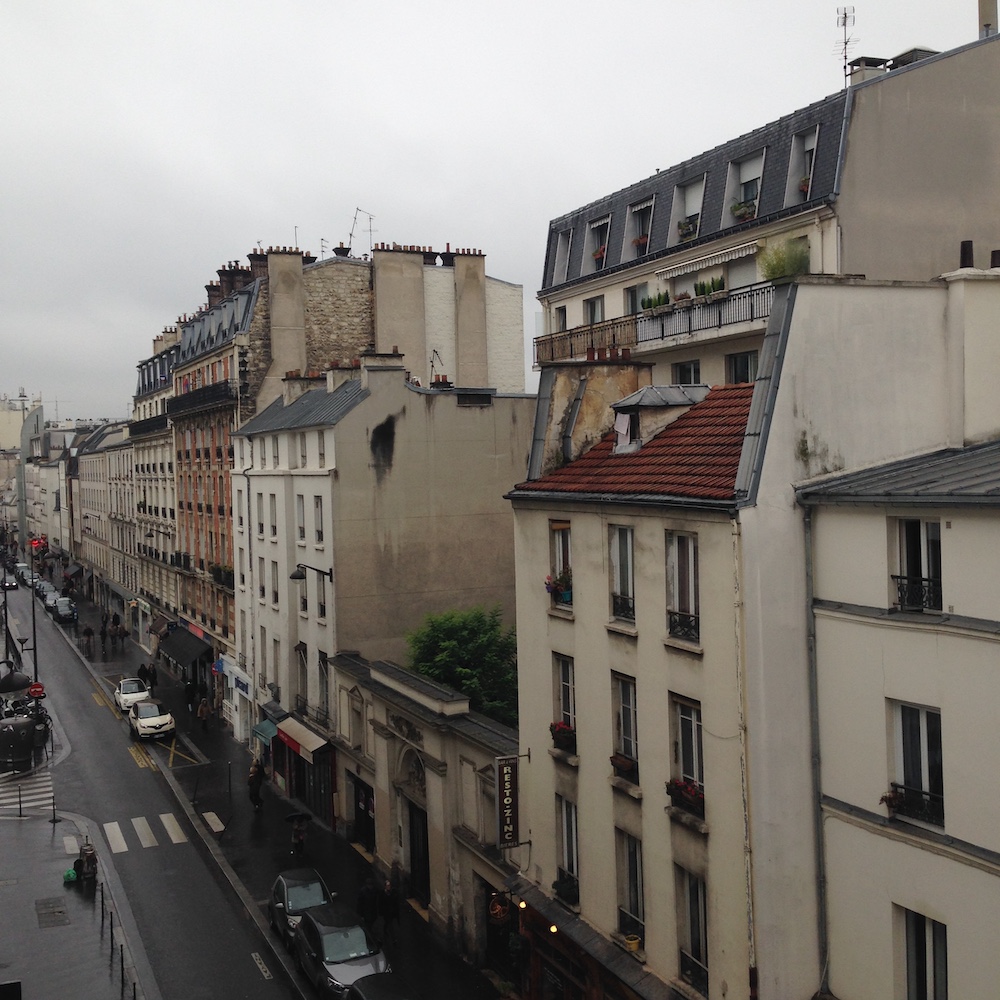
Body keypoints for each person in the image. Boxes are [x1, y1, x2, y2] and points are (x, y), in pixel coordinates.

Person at [378, 876, 401, 946]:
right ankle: (394, 939)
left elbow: (395, 902)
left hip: (392, 912)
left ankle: (385, 929)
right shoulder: (382, 894)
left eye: (389, 885)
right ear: (385, 886)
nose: (389, 887)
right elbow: (380, 903)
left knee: (388, 923)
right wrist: (381, 912)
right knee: (390, 925)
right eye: (388, 885)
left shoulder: (393, 892)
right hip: (386, 912)